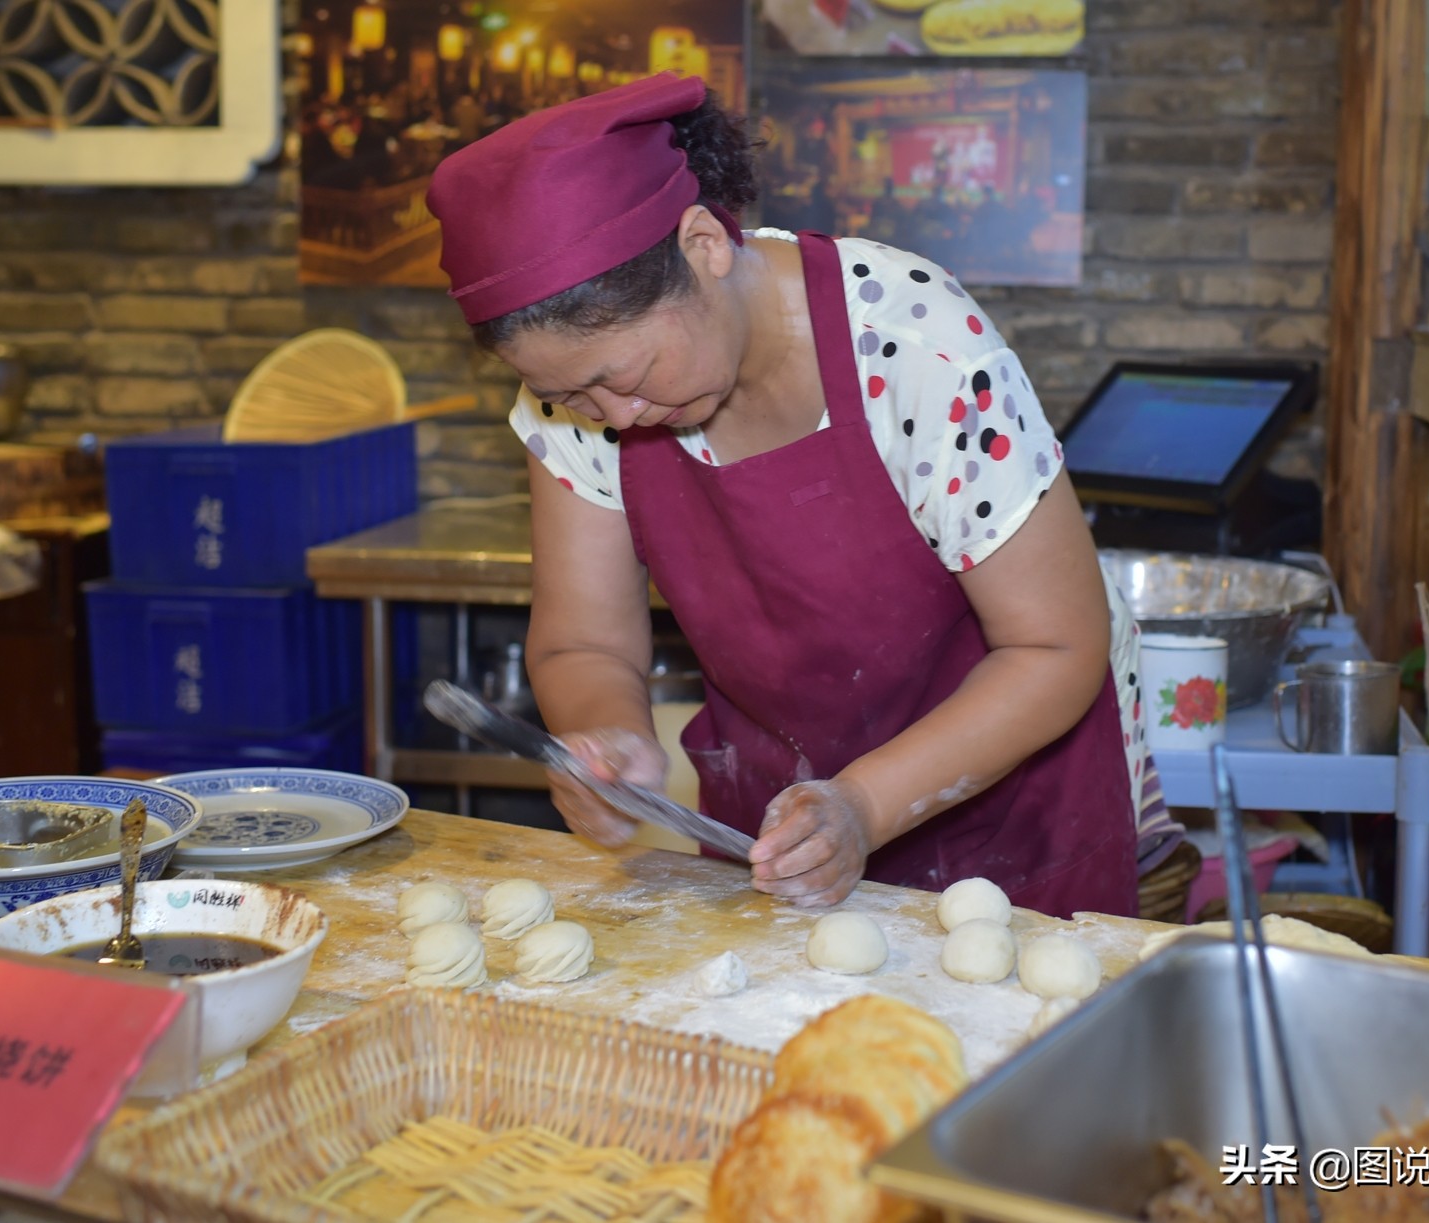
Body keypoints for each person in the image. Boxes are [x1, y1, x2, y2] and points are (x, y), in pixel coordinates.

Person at [427, 73, 1163, 918]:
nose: (613, 416)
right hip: (777, 834)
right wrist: (611, 741)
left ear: (704, 244)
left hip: (1007, 827)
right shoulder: (576, 399)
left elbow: (1055, 647)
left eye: (620, 378)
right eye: (574, 399)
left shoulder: (914, 347)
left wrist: (866, 803)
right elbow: (582, 645)